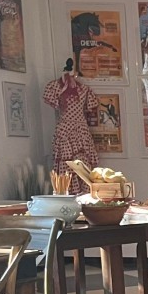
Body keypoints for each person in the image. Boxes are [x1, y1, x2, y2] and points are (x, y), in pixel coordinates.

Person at [42, 59, 98, 195]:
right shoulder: (55, 87)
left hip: (79, 131)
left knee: (83, 165)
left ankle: (84, 196)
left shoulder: (84, 90)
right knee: (66, 165)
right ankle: (68, 194)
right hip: (66, 130)